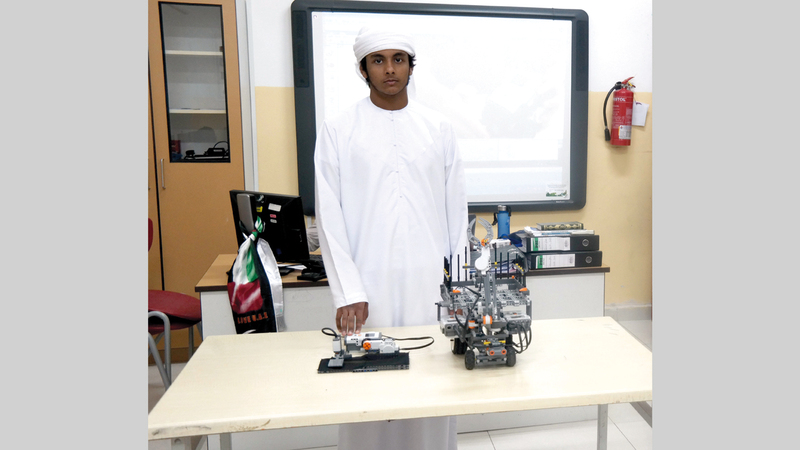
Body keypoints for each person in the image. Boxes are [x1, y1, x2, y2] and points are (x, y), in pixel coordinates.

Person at [314, 27, 468, 450]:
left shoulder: (438, 128)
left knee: (432, 386)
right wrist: (349, 291)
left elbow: (457, 213)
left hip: (429, 285)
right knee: (368, 392)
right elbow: (329, 216)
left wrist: (459, 287)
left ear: (411, 67)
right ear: (363, 69)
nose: (389, 69)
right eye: (378, 60)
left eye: (398, 59)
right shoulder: (338, 129)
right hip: (368, 285)